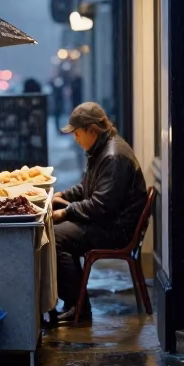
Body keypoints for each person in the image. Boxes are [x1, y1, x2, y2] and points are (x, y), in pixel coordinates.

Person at [51, 102, 146, 324]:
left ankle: (79, 308)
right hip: (110, 221)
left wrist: (66, 212)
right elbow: (87, 187)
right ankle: (72, 301)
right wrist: (62, 196)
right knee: (57, 231)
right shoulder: (100, 149)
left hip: (117, 229)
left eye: (77, 132)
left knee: (56, 237)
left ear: (92, 131)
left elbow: (101, 206)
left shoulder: (113, 156)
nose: (75, 137)